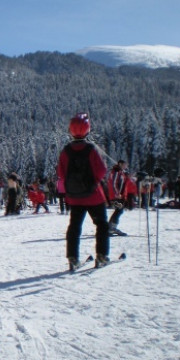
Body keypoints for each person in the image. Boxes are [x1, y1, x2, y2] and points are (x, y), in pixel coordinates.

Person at [57, 113, 111, 269]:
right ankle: (101, 255)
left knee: (74, 226)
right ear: (88, 129)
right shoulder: (91, 149)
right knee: (101, 225)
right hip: (94, 195)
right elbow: (101, 171)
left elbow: (61, 174)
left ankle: (72, 258)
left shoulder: (66, 150)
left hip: (75, 196)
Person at [107, 160, 128, 236]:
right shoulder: (116, 172)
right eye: (125, 164)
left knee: (118, 211)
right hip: (115, 195)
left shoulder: (121, 172)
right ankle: (111, 228)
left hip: (120, 195)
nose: (126, 166)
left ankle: (110, 228)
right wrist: (117, 193)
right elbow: (113, 183)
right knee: (119, 210)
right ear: (120, 164)